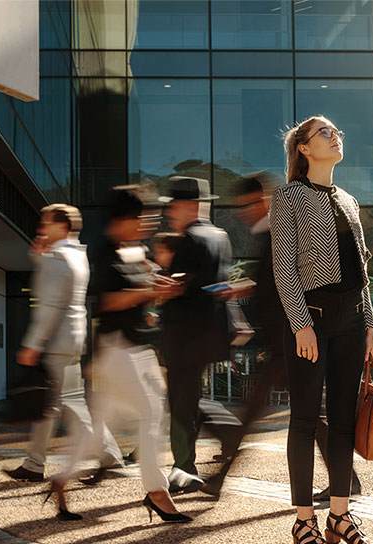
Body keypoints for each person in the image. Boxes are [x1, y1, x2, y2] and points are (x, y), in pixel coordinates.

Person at [201, 172, 362, 503]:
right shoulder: (269, 233)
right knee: (306, 418)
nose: (244, 213)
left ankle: (220, 477)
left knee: (278, 415)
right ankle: (348, 479)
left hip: (291, 340)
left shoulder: (278, 230)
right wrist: (243, 289)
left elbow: (289, 281)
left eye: (247, 205)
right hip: (284, 343)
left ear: (262, 200)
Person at [46, 187, 191, 523]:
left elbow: (142, 294)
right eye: (143, 220)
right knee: (152, 414)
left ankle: (62, 479)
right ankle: (156, 492)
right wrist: (149, 291)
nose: (147, 226)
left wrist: (159, 290)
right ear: (124, 220)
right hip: (118, 350)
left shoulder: (132, 250)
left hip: (136, 348)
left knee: (101, 428)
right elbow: (109, 302)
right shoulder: (103, 253)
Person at [272, 117, 373, 544]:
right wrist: (301, 324)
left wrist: (369, 324)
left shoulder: (349, 201)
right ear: (303, 149)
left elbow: (361, 273)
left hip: (352, 321)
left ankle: (339, 515)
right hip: (311, 321)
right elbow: (284, 266)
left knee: (342, 422)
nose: (336, 136)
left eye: (337, 131)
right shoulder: (289, 197)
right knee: (303, 420)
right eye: (325, 133)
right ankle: (303, 520)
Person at [3, 204, 125, 483]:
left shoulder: (56, 258)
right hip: (72, 338)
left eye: (45, 223)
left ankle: (37, 464)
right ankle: (105, 455)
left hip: (56, 341)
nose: (41, 229)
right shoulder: (76, 254)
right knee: (67, 402)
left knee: (50, 403)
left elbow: (50, 306)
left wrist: (34, 343)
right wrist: (40, 259)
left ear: (62, 226)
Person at [158, 176, 246, 493]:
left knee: (181, 403)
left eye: (174, 207)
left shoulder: (188, 240)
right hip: (208, 333)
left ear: (190, 206)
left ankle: (186, 466)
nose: (170, 213)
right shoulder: (221, 237)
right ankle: (200, 455)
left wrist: (162, 285)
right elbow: (219, 285)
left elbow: (177, 287)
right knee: (187, 399)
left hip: (184, 335)